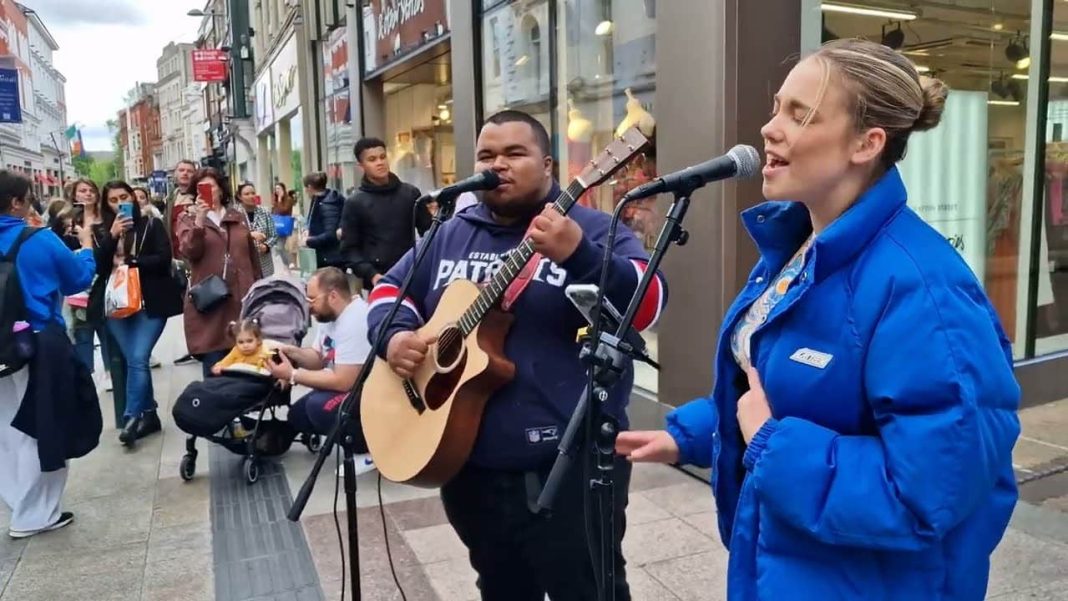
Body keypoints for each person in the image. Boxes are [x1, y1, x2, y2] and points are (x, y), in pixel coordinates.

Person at [616, 39, 1021, 601]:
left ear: (867, 143)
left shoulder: (924, 291)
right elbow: (784, 389)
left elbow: (930, 492)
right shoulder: (800, 250)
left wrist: (771, 443)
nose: (769, 128)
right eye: (777, 107)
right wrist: (686, 436)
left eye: (799, 114)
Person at [367, 110, 667, 600]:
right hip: (470, 467)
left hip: (572, 470)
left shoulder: (591, 229)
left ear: (548, 164)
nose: (498, 164)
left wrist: (580, 257)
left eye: (514, 154)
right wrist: (395, 335)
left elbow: (649, 304)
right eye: (487, 155)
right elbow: (390, 290)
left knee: (590, 589)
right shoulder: (452, 230)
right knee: (501, 588)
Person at [0, 169, 96, 538]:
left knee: (7, 430)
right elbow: (77, 279)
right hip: (37, 344)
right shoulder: (38, 239)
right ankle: (33, 514)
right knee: (42, 430)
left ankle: (17, 501)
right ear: (16, 203)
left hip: (2, 348)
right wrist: (87, 247)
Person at [99, 181, 183, 447]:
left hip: (149, 303)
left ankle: (132, 417)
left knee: (138, 357)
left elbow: (163, 258)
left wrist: (132, 262)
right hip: (116, 305)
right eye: (113, 200)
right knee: (133, 360)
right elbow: (98, 267)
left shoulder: (150, 225)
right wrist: (112, 236)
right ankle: (150, 414)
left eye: (124, 197)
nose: (119, 203)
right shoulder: (102, 230)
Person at [267, 267, 373, 473]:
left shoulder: (356, 319)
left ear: (333, 295)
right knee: (298, 416)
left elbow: (345, 381)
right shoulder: (330, 316)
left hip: (367, 390)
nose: (309, 305)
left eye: (312, 299)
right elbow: (318, 358)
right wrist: (290, 352)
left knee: (318, 408)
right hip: (348, 386)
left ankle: (368, 450)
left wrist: (293, 375)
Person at [175, 168, 262, 379]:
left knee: (246, 368)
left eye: (211, 187)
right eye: (200, 189)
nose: (206, 192)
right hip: (212, 304)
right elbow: (189, 251)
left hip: (242, 300)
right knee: (216, 370)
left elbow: (252, 258)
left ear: (221, 190)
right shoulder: (187, 219)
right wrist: (199, 221)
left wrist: (260, 288)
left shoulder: (237, 217)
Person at [340, 137, 430, 290]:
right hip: (378, 282)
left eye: (383, 157)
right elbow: (349, 249)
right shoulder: (355, 203)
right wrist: (372, 274)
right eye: (372, 159)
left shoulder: (410, 193)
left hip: (413, 275)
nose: (380, 163)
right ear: (361, 165)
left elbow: (429, 232)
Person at [67, 177, 114, 390]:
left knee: (106, 329)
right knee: (82, 330)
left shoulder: (106, 219)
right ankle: (85, 376)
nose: (87, 194)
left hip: (103, 280)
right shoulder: (69, 222)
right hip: (79, 287)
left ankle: (111, 372)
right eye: (82, 191)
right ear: (75, 195)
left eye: (91, 190)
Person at [167, 159, 200, 367]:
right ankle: (194, 345)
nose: (185, 174)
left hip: (195, 255)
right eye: (182, 170)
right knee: (187, 303)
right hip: (177, 257)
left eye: (189, 171)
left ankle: (200, 345)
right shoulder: (172, 197)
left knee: (199, 300)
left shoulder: (199, 197)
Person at [301, 172, 343, 269]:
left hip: (330, 258)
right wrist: (307, 230)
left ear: (310, 187)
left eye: (305, 188)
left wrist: (309, 241)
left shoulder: (327, 204)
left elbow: (331, 234)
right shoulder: (317, 199)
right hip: (322, 255)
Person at [236, 182, 276, 278]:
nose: (251, 196)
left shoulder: (264, 212)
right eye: (247, 194)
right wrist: (250, 234)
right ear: (240, 196)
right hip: (244, 263)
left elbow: (274, 235)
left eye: (253, 193)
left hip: (264, 264)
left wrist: (266, 246)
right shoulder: (235, 214)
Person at [271, 182, 296, 268]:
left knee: (280, 247)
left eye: (279, 188)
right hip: (276, 225)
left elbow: (283, 211)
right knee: (278, 247)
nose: (277, 190)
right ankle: (286, 265)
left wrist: (280, 200)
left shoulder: (288, 199)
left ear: (283, 190)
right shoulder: (275, 199)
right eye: (276, 189)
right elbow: (274, 212)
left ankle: (289, 262)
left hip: (284, 225)